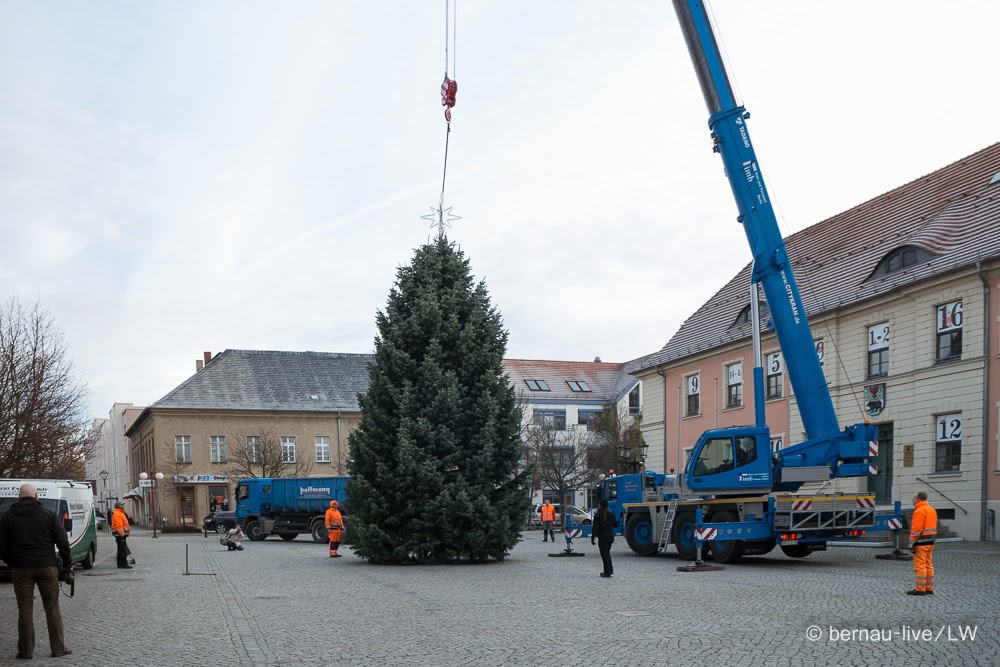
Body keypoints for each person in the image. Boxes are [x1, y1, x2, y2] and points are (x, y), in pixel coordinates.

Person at [0, 483, 73, 659]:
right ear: (36, 497)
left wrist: (13, 563)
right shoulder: (47, 514)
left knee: (25, 609)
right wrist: (67, 564)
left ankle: (25, 651)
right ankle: (58, 648)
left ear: (19, 498)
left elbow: (1, 546)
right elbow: (62, 541)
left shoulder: (8, 516)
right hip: (47, 567)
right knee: (52, 608)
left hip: (21, 569)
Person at [907, 491, 937, 596]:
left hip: (921, 542)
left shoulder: (919, 511)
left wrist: (911, 543)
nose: (912, 499)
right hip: (930, 541)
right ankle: (929, 588)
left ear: (919, 499)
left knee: (920, 566)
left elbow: (917, 530)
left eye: (914, 498)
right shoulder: (931, 509)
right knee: (929, 565)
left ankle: (920, 589)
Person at [591, 499, 620, 578]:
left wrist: (593, 538)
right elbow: (615, 525)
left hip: (603, 536)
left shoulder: (598, 514)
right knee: (607, 553)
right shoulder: (610, 514)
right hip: (610, 536)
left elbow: (595, 527)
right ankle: (610, 570)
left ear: (600, 505)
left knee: (604, 554)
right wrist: (618, 521)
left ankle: (607, 572)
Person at [111, 501, 132, 569]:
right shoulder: (118, 514)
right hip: (120, 535)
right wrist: (122, 534)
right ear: (118, 506)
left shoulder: (120, 513)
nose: (123, 505)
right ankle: (124, 564)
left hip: (121, 534)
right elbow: (119, 525)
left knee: (121, 549)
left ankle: (120, 564)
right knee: (122, 550)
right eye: (121, 504)